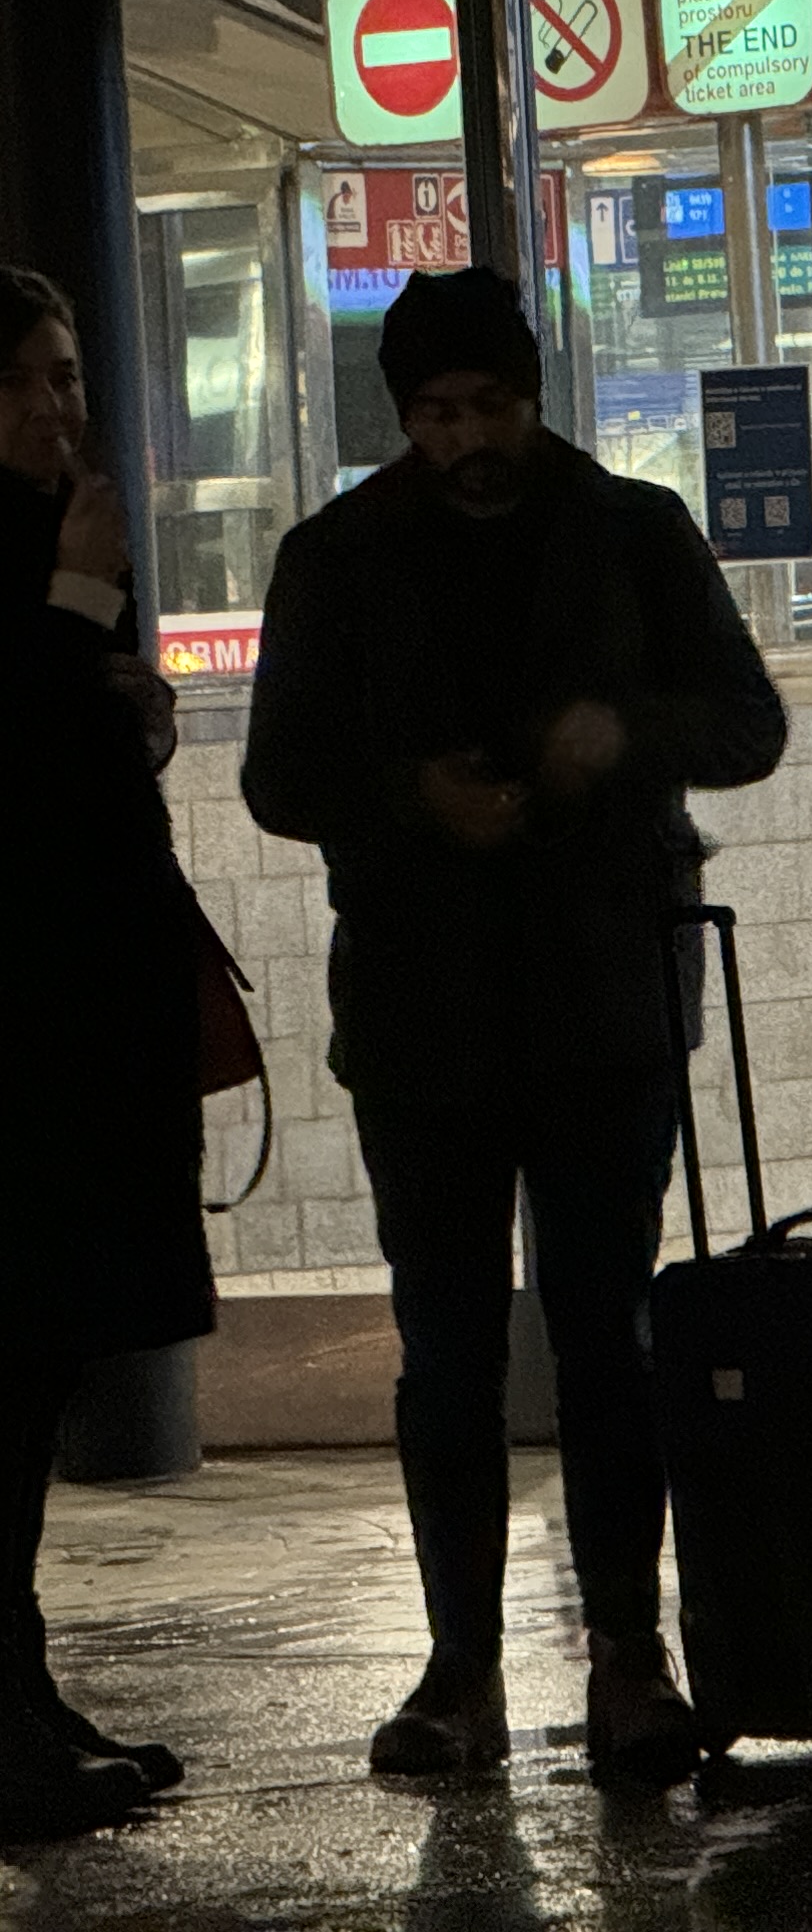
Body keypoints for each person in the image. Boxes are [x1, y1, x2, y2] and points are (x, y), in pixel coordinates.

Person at [242, 271, 786, 1784]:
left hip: (599, 994)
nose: (467, 440)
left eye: (488, 408)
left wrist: (626, 734)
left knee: (606, 1335)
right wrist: (416, 796)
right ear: (402, 419)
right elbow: (278, 776)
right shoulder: (339, 558)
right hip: (427, 1014)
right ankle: (460, 1666)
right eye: (435, 416)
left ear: (533, 400)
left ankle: (627, 1651)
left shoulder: (632, 533)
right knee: (448, 1352)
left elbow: (747, 720)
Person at [0, 267, 208, 1840]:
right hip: (13, 1060)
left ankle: (26, 1696)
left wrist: (126, 703)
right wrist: (80, 625)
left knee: (34, 1384)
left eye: (66, 381)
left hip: (77, 1042)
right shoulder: (50, 567)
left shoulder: (58, 553)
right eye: (25, 386)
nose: (58, 412)